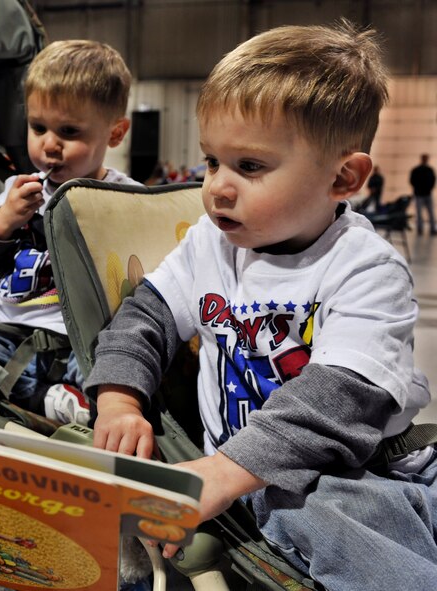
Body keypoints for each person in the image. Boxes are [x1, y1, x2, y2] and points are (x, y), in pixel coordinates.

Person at [87, 20, 437, 590]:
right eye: (212, 161)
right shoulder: (209, 244)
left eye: (249, 167)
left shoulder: (366, 268)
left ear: (343, 178)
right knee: (304, 510)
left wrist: (223, 472)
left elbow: (339, 397)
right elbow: (144, 317)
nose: (217, 187)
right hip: (266, 482)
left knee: (332, 518)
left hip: (365, 470)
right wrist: (120, 400)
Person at [0, 39, 142, 418]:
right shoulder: (16, 191)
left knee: (122, 371)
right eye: (38, 127)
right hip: (9, 330)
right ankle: (45, 398)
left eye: (69, 131)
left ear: (115, 133)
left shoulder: (130, 199)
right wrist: (4, 221)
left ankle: (71, 399)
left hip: (86, 338)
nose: (49, 145)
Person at [410, 153, 436, 235]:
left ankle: (432, 228)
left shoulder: (429, 170)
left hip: (427, 194)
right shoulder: (416, 170)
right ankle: (420, 229)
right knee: (419, 213)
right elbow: (412, 181)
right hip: (419, 194)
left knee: (431, 212)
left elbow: (433, 180)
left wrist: (429, 188)